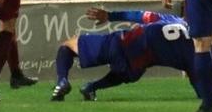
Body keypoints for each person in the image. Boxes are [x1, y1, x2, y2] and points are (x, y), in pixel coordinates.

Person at [51, 8, 196, 102]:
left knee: (68, 46)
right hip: (136, 66)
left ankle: (62, 81)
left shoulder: (170, 19)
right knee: (125, 72)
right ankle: (91, 87)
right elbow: (198, 82)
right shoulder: (192, 51)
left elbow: (138, 15)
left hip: (120, 43)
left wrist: (110, 15)